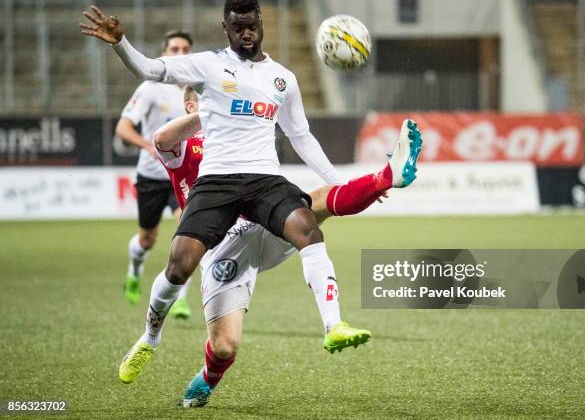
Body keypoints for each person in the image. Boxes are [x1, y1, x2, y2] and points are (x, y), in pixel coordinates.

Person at [118, 86, 422, 407]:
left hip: (263, 219)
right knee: (225, 346)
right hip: (222, 247)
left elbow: (296, 137)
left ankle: (386, 177)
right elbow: (162, 139)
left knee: (314, 204)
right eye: (213, 95)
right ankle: (199, 370)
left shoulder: (247, 131)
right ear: (191, 104)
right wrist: (210, 112)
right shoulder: (185, 145)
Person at [115, 29, 194, 319]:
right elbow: (123, 128)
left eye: (185, 49)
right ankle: (134, 269)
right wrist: (148, 146)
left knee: (189, 232)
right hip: (151, 176)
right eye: (174, 49)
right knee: (147, 239)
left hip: (183, 176)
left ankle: (181, 298)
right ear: (165, 53)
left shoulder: (198, 89)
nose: (180, 54)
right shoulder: (150, 88)